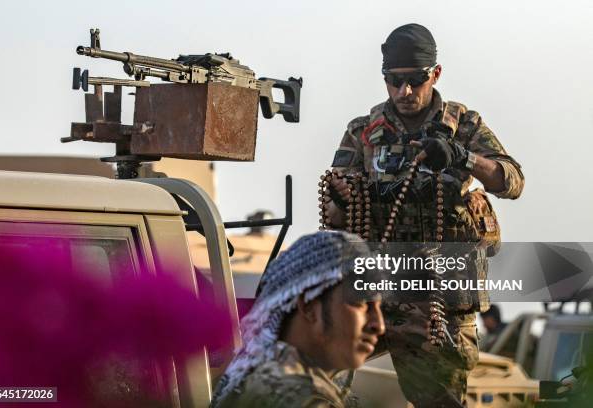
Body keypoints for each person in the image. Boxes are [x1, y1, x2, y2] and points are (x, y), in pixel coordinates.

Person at [324, 23, 524, 407]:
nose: (405, 92)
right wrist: (346, 198)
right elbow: (335, 200)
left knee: (440, 400)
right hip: (377, 293)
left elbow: (512, 181)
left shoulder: (463, 125)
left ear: (435, 74)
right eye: (394, 81)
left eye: (415, 80)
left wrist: (463, 157)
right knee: (315, 373)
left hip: (440, 303)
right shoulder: (363, 131)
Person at [210, 230, 385, 408]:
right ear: (308, 307)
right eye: (360, 303)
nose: (379, 325)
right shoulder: (303, 398)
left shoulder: (250, 375)